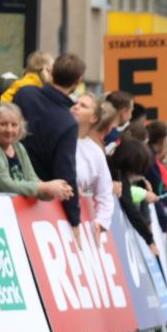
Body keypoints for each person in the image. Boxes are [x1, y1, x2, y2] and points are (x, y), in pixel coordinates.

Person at [13, 52, 84, 228]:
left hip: (5, 185)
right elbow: (65, 171)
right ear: (77, 82)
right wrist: (74, 220)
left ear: (51, 72)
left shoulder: (24, 94)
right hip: (38, 202)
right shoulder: (68, 123)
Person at [0, 103, 73, 201]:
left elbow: (32, 179)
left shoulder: (18, 147)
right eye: (3, 124)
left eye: (14, 125)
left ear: (20, 127)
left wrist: (55, 190)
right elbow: (6, 186)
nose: (9, 130)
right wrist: (46, 187)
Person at [71, 93, 116, 234]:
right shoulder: (54, 137)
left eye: (83, 106)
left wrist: (101, 222)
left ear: (93, 118)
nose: (76, 107)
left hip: (75, 221)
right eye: (75, 103)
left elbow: (105, 193)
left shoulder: (95, 152)